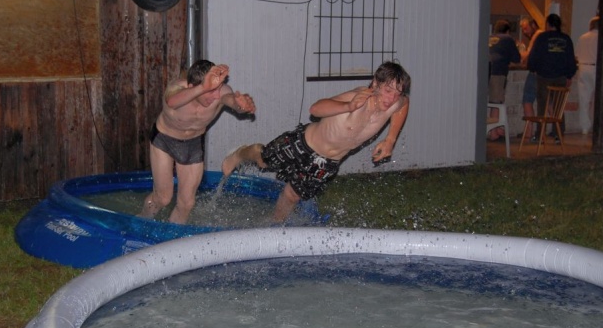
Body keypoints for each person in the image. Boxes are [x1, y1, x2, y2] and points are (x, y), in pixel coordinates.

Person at [222, 61, 410, 222]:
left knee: (293, 195)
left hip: (328, 162)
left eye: (397, 93)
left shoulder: (395, 102)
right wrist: (348, 106)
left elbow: (404, 104)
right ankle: (240, 154)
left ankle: (274, 225)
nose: (391, 98)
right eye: (387, 90)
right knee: (263, 160)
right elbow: (316, 109)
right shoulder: (358, 97)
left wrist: (390, 140)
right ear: (375, 83)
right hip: (302, 143)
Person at [140, 60, 256, 224]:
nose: (216, 96)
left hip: (192, 144)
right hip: (164, 140)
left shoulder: (221, 92)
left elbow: (229, 99)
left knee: (187, 203)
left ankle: (173, 235)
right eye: (210, 91)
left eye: (218, 89)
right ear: (192, 87)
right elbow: (171, 101)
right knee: (163, 198)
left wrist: (240, 104)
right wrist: (203, 87)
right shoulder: (177, 88)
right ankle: (141, 221)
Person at [527, 13, 578, 142]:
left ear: (548, 24)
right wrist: (569, 75)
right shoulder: (566, 39)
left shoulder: (542, 38)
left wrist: (532, 68)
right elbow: (571, 60)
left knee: (542, 107)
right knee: (558, 107)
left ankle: (540, 135)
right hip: (560, 77)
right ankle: (558, 134)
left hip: (543, 77)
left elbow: (534, 56)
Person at [487, 19, 521, 140]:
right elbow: (517, 58)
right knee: (496, 102)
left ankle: (495, 129)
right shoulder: (508, 39)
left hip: (485, 71)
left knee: (491, 102)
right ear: (507, 31)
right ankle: (493, 133)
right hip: (498, 71)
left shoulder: (489, 37)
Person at [575, 16, 600, 134]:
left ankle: (585, 127)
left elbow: (577, 55)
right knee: (598, 99)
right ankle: (597, 125)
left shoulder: (582, 37)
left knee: (584, 99)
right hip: (596, 68)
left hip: (583, 67)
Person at [518, 17, 542, 131]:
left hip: (535, 73)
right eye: (523, 29)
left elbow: (528, 54)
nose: (524, 32)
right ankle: (557, 130)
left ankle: (529, 131)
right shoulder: (543, 35)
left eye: (526, 28)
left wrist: (520, 54)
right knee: (549, 103)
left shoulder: (537, 35)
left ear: (533, 25)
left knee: (527, 100)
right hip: (544, 73)